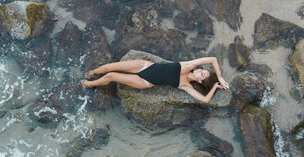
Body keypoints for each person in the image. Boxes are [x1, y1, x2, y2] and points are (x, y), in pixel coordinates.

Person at [81, 57, 229, 103]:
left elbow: (205, 100)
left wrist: (215, 86)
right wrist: (220, 77)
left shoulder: (185, 85)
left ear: (200, 82)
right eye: (202, 70)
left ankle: (89, 84)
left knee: (111, 76)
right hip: (144, 66)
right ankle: (93, 73)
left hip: (145, 82)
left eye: (202, 74)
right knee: (108, 67)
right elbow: (213, 59)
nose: (200, 71)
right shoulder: (187, 66)